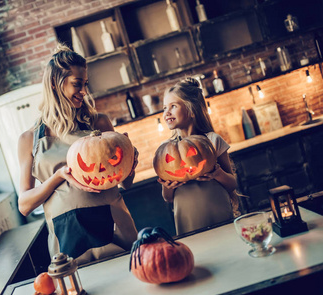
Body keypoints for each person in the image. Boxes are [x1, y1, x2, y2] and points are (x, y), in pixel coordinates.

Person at [17, 44, 138, 265]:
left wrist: (131, 164)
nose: (84, 91)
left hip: (114, 230)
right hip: (67, 239)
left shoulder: (99, 123)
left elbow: (125, 184)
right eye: (77, 84)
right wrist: (58, 176)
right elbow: (24, 205)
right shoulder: (29, 139)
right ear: (54, 84)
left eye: (85, 84)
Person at [158, 77, 239, 235]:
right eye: (164, 108)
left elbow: (232, 184)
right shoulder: (166, 150)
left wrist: (218, 174)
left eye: (173, 106)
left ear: (191, 110)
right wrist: (166, 187)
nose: (166, 113)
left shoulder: (213, 140)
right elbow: (168, 198)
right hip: (188, 220)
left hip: (219, 213)